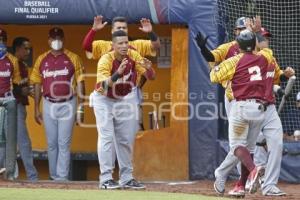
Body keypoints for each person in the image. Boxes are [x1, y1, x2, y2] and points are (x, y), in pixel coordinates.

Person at [83, 16, 160, 181]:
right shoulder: (106, 58)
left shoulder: (133, 54)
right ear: (113, 45)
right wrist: (117, 74)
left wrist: (149, 69)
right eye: (120, 44)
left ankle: (126, 177)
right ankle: (105, 179)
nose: (124, 46)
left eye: (126, 42)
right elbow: (101, 88)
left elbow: (150, 76)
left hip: (123, 98)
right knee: (107, 137)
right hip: (104, 99)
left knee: (125, 139)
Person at [210, 29, 277, 195]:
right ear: (254, 44)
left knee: (236, 147)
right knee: (250, 149)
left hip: (241, 108)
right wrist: (256, 33)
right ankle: (240, 185)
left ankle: (253, 170)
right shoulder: (265, 56)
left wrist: (214, 65)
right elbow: (264, 47)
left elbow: (213, 77)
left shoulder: (234, 60)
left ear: (238, 45)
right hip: (260, 109)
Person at [30, 27, 85, 181]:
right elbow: (36, 84)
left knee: (63, 143)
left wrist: (81, 109)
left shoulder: (73, 58)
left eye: (59, 38)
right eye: (53, 38)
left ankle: (61, 177)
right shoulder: (41, 59)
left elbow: (81, 84)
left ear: (63, 39)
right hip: (48, 103)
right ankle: (53, 176)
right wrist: (36, 108)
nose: (56, 41)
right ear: (48, 40)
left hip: (68, 103)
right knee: (52, 143)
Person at [12, 37, 39, 181]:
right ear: (17, 49)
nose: (28, 51)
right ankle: (31, 175)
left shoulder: (22, 65)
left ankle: (14, 174)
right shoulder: (10, 62)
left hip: (20, 106)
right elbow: (10, 87)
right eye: (25, 48)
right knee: (22, 141)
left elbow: (21, 88)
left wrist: (28, 91)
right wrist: (19, 91)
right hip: (11, 106)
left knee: (18, 141)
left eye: (29, 48)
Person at [0, 28, 21, 180]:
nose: (0, 42)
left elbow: (17, 83)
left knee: (10, 139)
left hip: (8, 101)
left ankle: (11, 174)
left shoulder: (12, 60)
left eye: (2, 39)